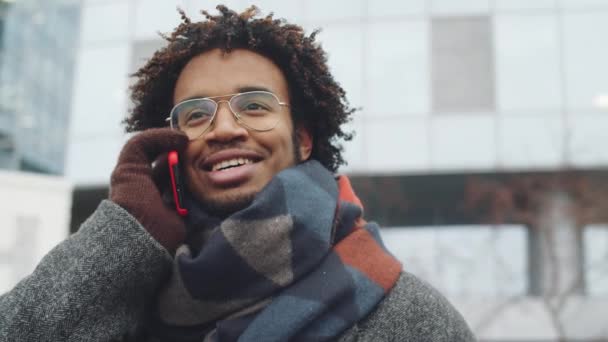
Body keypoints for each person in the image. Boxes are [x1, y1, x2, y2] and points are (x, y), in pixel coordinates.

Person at [0, 6, 475, 342]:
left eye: (254, 106)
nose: (225, 128)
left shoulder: (410, 318)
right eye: (196, 114)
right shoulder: (120, 291)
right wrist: (122, 237)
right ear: (169, 147)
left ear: (303, 139)